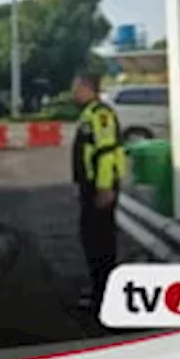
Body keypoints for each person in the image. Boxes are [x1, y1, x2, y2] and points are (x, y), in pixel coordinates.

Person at [70, 71, 126, 314]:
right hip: (90, 186)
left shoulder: (101, 114)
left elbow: (106, 153)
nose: (74, 92)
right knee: (92, 240)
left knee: (101, 242)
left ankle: (106, 296)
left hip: (100, 187)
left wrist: (104, 187)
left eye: (77, 87)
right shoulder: (89, 113)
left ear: (88, 87)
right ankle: (98, 289)